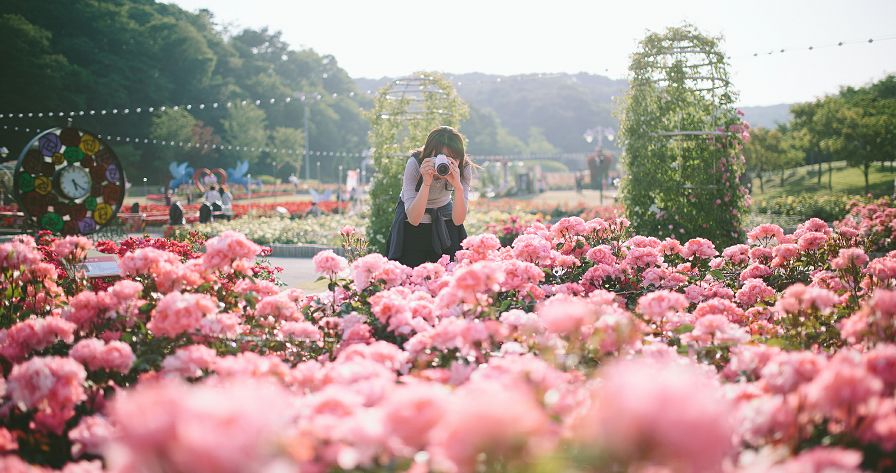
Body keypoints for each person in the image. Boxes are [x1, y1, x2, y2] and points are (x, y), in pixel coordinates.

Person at [386, 126, 473, 267]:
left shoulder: (463, 167)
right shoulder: (416, 163)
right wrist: (426, 182)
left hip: (444, 218)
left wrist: (458, 187)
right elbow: (414, 219)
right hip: (412, 220)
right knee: (408, 272)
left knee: (450, 269)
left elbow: (458, 220)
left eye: (453, 157)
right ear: (428, 153)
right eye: (440, 157)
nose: (446, 163)